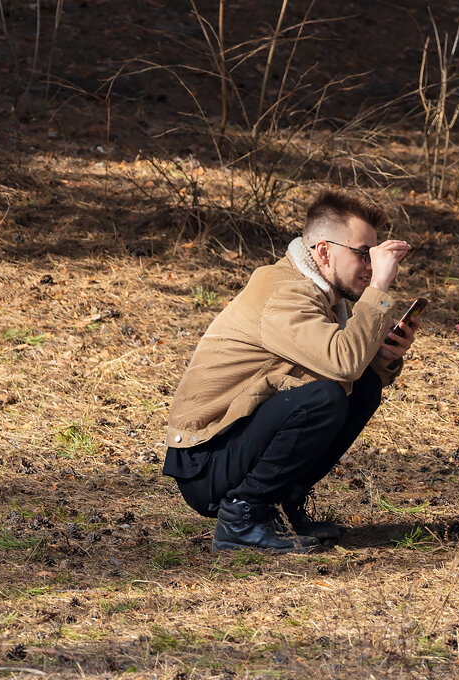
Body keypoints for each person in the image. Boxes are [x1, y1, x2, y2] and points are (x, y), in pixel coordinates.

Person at [163, 190, 418, 553]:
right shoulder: (283, 293)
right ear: (324, 251)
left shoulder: (322, 295)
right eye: (363, 253)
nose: (370, 265)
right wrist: (379, 287)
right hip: (204, 462)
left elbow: (346, 368)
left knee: (365, 385)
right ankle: (242, 516)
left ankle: (282, 504)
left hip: (234, 442)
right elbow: (342, 362)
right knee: (326, 397)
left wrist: (382, 359)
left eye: (374, 255)